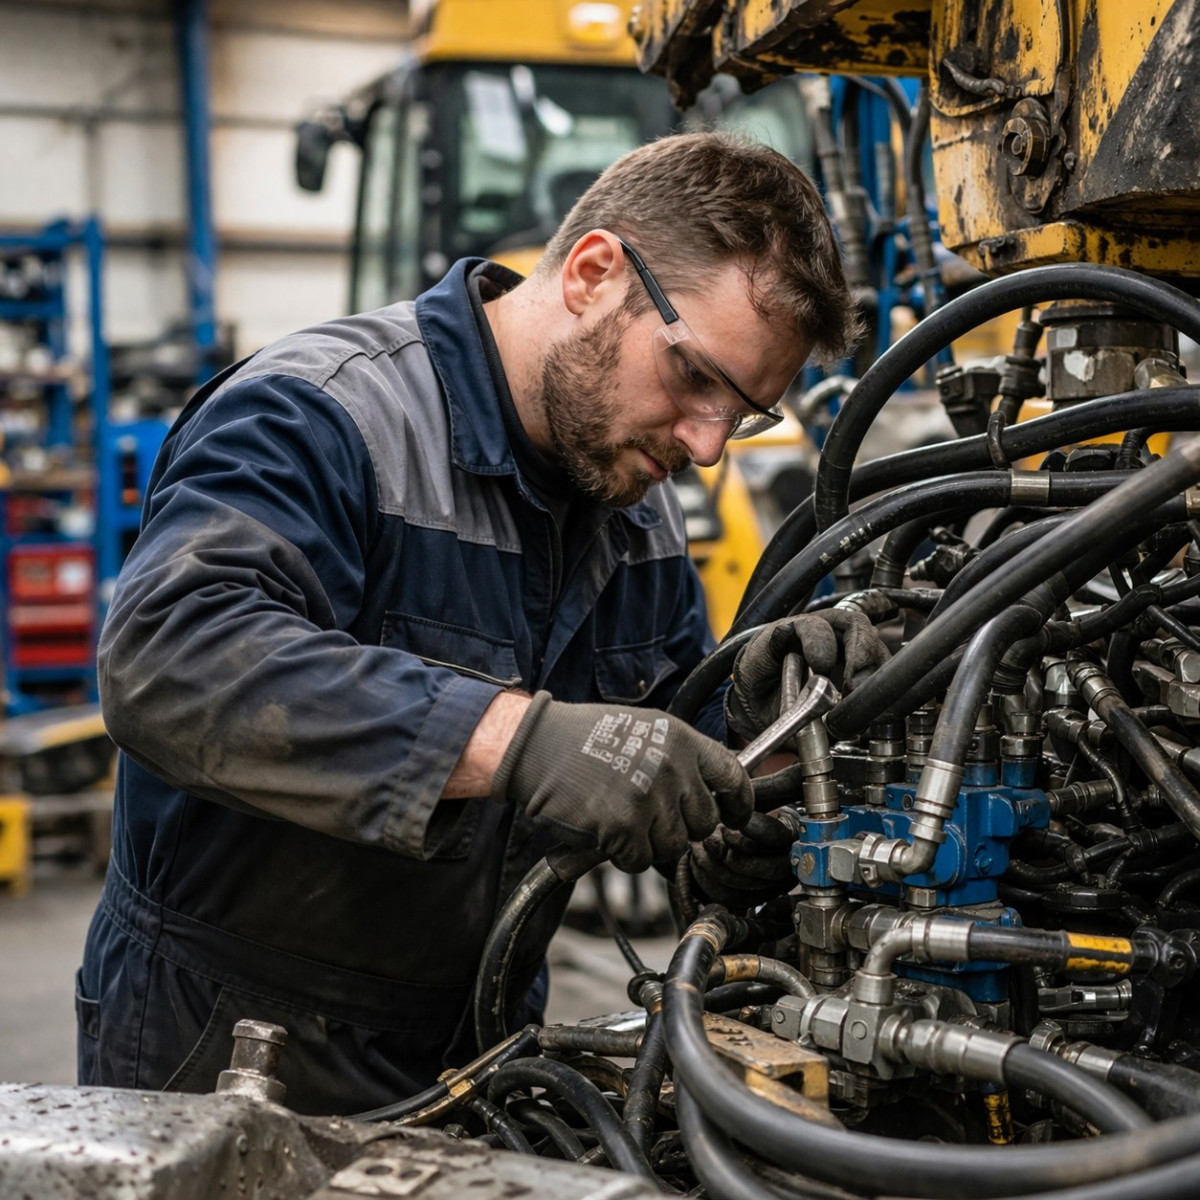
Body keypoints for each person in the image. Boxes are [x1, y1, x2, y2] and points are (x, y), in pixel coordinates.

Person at [77, 131, 859, 1115]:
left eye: (741, 415)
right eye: (696, 378)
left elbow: (646, 752)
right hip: (234, 1047)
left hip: (483, 1053)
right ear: (592, 273)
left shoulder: (633, 511)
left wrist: (751, 745)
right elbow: (170, 660)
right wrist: (514, 739)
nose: (707, 446)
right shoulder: (324, 415)